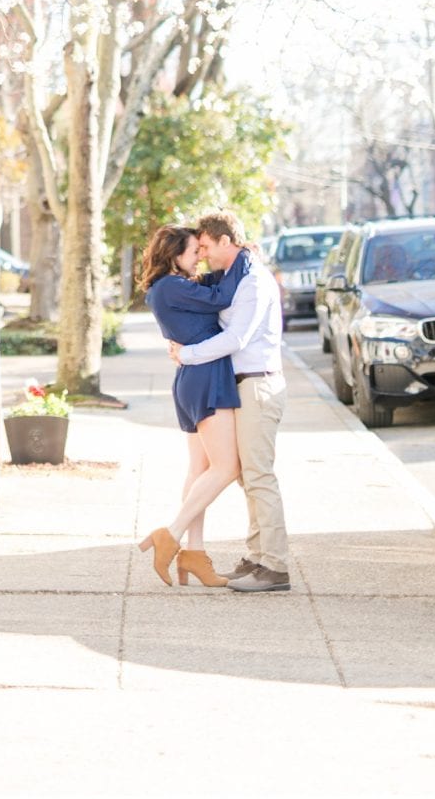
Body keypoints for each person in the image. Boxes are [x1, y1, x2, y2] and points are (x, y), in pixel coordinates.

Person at [168, 210, 290, 594]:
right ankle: (256, 557)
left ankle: (275, 567)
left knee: (258, 476)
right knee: (244, 476)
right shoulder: (231, 279)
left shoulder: (253, 281)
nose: (201, 254)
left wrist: (186, 354)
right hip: (236, 386)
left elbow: (236, 338)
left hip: (258, 384)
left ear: (225, 241)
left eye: (204, 246)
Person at [138, 223, 252, 587]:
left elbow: (210, 287)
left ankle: (195, 553)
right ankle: (170, 535)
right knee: (226, 467)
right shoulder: (172, 287)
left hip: (193, 377)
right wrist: (243, 255)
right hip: (205, 377)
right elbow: (223, 297)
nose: (200, 257)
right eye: (193, 252)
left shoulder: (169, 287)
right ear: (174, 257)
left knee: (199, 468)